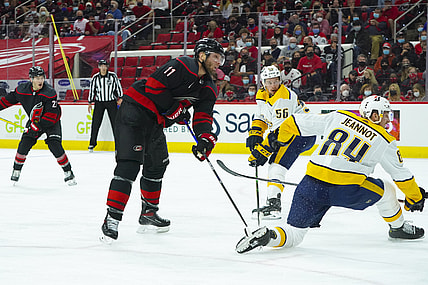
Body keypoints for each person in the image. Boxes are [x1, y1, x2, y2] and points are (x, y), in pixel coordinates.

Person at [237, 95, 425, 254]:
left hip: (310, 185)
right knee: (387, 191)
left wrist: (268, 145)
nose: (388, 120)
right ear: (374, 115)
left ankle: (270, 236)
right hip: (347, 190)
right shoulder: (385, 140)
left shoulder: (339, 117)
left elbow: (292, 122)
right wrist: (414, 197)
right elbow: (402, 176)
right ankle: (398, 227)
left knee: (294, 234)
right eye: (385, 115)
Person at [100, 38, 225, 242]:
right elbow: (154, 86)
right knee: (129, 165)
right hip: (135, 111)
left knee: (158, 164)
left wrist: (205, 138)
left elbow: (203, 117)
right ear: (201, 55)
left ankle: (148, 213)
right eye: (216, 57)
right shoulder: (185, 65)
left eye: (221, 58)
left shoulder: (209, 88)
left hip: (154, 121)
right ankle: (112, 218)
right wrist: (176, 110)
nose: (219, 62)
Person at [245, 65, 315, 219]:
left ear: (280, 81)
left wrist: (262, 151)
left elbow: (280, 134)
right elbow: (262, 115)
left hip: (301, 133)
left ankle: (273, 207)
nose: (273, 86)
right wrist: (256, 132)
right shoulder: (262, 94)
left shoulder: (283, 98)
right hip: (293, 132)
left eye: (276, 81)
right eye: (269, 82)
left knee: (277, 165)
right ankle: (273, 203)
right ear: (263, 83)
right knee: (275, 164)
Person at [0, 66, 76, 186]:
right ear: (31, 79)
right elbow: (7, 100)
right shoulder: (22, 90)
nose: (40, 81)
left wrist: (38, 126)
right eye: (37, 78)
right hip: (34, 121)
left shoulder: (49, 92)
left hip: (52, 122)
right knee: (24, 144)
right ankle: (16, 171)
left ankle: (68, 172)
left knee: (54, 145)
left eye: (42, 78)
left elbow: (52, 115)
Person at [88, 60, 123, 152]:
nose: (103, 68)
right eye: (102, 66)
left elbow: (118, 87)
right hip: (99, 102)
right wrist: (90, 102)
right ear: (99, 67)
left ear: (107, 67)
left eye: (105, 66)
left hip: (111, 101)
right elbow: (92, 90)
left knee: (115, 124)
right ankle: (92, 144)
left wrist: (121, 98)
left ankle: (118, 145)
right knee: (95, 123)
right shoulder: (95, 78)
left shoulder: (113, 76)